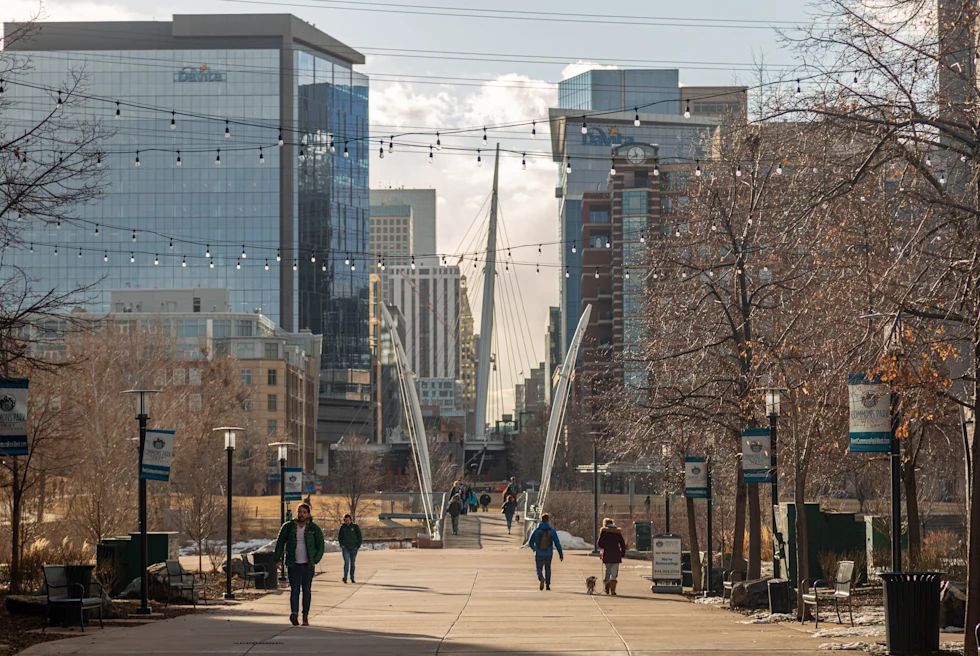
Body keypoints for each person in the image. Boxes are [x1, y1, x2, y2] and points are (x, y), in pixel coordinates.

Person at [274, 502, 325, 626]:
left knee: (306, 590)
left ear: (308, 514)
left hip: (308, 565)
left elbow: (321, 545)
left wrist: (315, 559)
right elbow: (280, 543)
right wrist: (278, 559)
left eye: (304, 512)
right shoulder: (288, 527)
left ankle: (305, 616)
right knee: (294, 590)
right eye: (300, 512)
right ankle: (294, 613)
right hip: (293, 564)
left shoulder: (314, 528)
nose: (301, 514)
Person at [528, 513, 563, 591]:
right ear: (548, 520)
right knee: (548, 568)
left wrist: (534, 548)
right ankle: (547, 585)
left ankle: (541, 577)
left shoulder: (536, 531)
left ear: (541, 520)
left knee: (539, 568)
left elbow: (530, 542)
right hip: (549, 553)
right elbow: (557, 543)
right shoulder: (552, 531)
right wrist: (560, 554)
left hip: (539, 553)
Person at [596, 518, 627, 595]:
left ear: (605, 524)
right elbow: (622, 544)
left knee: (608, 570)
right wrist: (622, 553)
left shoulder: (604, 532)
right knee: (614, 573)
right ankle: (613, 590)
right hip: (616, 554)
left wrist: (605, 547)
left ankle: (607, 586)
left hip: (607, 554)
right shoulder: (617, 532)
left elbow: (599, 544)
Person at [338, 514, 363, 584]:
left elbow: (359, 537)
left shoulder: (355, 527)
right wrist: (341, 544)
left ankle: (352, 577)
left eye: (348, 520)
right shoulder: (343, 527)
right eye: (346, 521)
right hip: (345, 547)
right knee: (346, 562)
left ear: (351, 520)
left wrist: (357, 546)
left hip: (353, 548)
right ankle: (345, 576)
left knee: (352, 563)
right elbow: (340, 537)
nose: (347, 522)